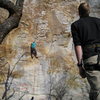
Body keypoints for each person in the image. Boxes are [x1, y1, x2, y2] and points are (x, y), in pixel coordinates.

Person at [71, 2, 100, 100]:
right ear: (89, 11)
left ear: (79, 12)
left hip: (90, 58)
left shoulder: (76, 25)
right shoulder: (98, 21)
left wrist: (80, 65)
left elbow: (78, 45)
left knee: (97, 90)